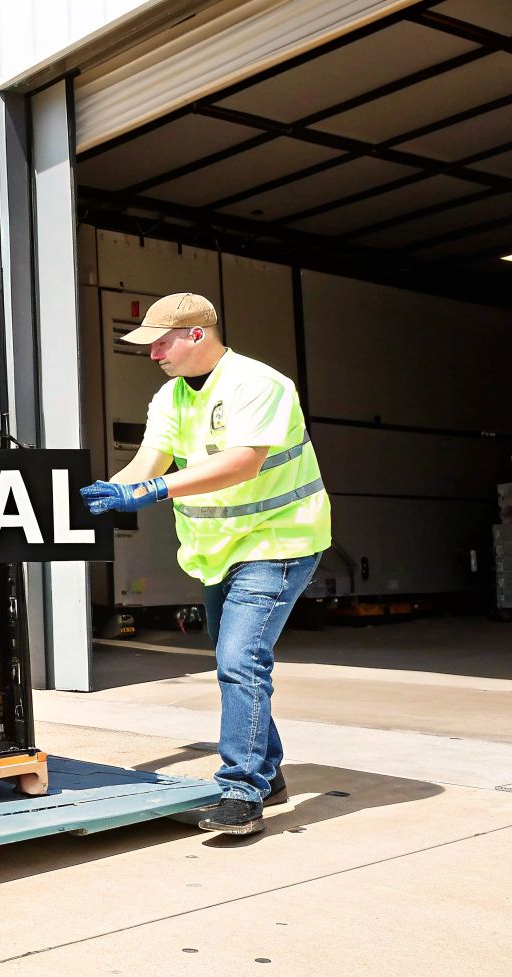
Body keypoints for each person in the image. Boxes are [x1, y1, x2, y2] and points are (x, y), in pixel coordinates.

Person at [79, 293, 329, 836]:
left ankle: (241, 791)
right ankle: (268, 770)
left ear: (197, 335)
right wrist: (101, 495)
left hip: (278, 541)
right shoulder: (170, 396)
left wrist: (154, 490)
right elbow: (150, 461)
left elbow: (243, 462)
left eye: (161, 342)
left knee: (240, 660)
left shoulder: (259, 384)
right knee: (236, 659)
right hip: (218, 551)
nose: (152, 355)